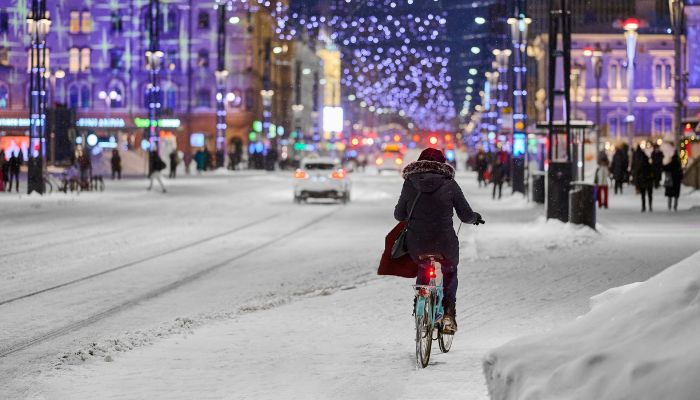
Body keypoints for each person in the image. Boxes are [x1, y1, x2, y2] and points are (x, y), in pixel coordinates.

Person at [394, 148, 484, 334]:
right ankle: (449, 314)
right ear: (443, 163)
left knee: (422, 265)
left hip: (417, 242)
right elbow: (465, 215)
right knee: (450, 270)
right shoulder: (450, 184)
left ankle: (421, 298)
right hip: (444, 242)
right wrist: (475, 218)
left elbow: (398, 214)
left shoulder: (410, 183)